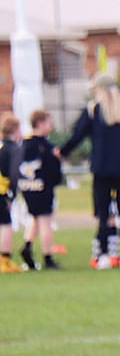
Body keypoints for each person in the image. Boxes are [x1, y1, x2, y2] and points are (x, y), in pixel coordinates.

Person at [59, 72, 120, 269]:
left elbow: (77, 135)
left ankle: (105, 255)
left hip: (101, 167)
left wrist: (62, 151)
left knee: (104, 214)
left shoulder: (93, 111)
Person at [17, 109, 63, 270]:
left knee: (35, 217)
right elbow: (54, 170)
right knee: (45, 221)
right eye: (49, 123)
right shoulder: (45, 146)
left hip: (27, 187)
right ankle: (48, 256)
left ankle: (27, 246)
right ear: (41, 123)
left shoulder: (23, 143)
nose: (50, 127)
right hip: (43, 187)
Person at [0, 113, 22, 273]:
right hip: (1, 190)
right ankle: (4, 260)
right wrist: (11, 195)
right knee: (6, 224)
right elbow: (14, 173)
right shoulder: (13, 149)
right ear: (15, 129)